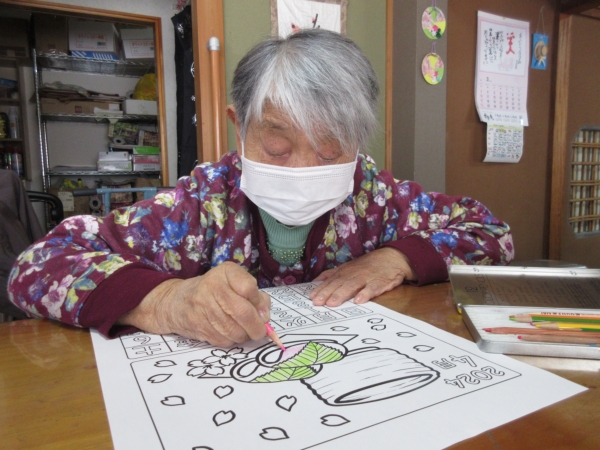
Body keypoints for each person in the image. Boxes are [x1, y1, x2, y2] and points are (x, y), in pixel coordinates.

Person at [7, 29, 514, 347]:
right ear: (239, 126)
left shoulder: (376, 198)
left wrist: (396, 258)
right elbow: (36, 266)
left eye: (331, 149)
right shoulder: (199, 205)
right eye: (276, 146)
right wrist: (165, 301)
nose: (304, 166)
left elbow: (491, 232)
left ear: (359, 140)